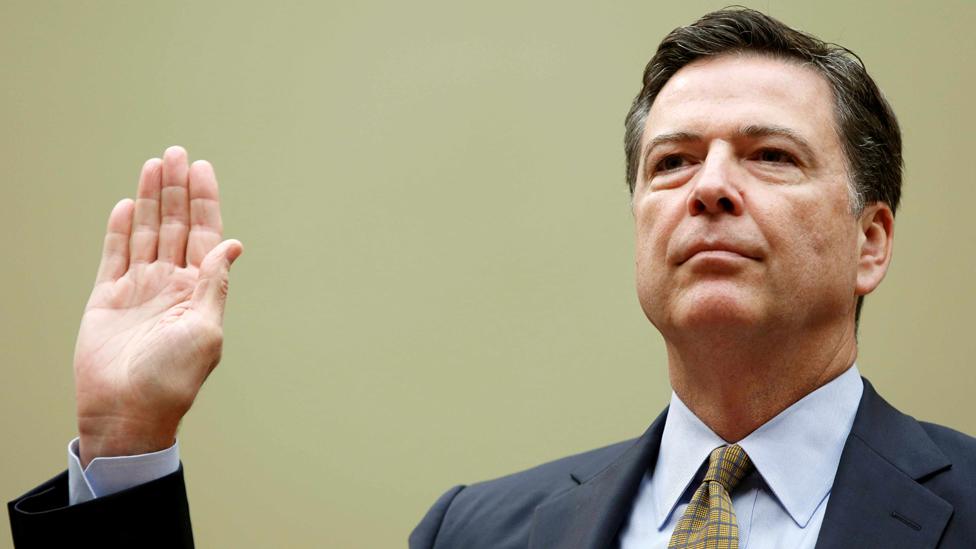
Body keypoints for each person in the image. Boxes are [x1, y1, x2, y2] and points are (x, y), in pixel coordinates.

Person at [7, 7, 975, 549]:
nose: (708, 188)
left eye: (768, 155)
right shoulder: (476, 532)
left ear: (870, 242)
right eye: (672, 163)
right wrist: (129, 439)